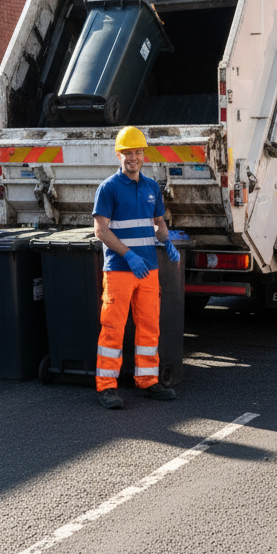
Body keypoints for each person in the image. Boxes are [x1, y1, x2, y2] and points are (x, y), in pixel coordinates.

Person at [91, 126, 180, 410]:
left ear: (144, 154)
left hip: (149, 270)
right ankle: (106, 387)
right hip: (120, 269)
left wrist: (167, 241)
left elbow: (159, 223)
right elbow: (100, 231)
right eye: (128, 152)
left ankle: (147, 380)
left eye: (138, 152)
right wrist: (129, 255)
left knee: (149, 327)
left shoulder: (152, 187)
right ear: (119, 154)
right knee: (113, 328)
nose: (134, 157)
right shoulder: (108, 188)